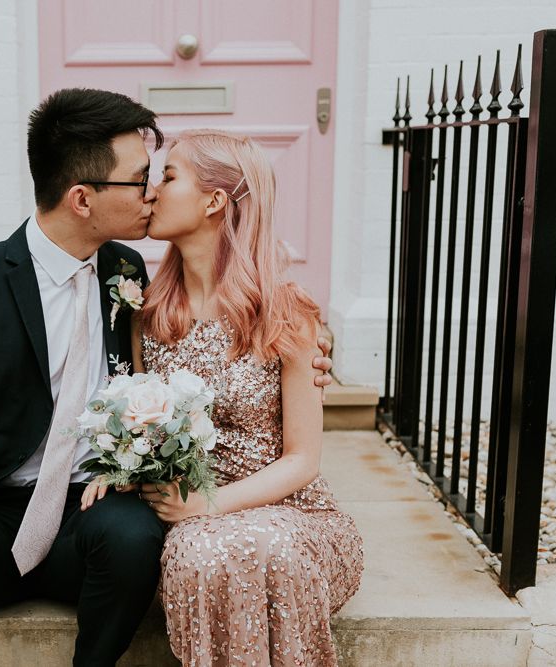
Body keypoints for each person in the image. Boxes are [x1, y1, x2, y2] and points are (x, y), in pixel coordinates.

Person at [0, 89, 334, 666]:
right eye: (141, 178)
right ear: (82, 198)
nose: (151, 192)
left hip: (90, 514)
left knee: (134, 531)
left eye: (161, 178)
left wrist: (315, 346)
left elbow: (244, 328)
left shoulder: (127, 275)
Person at [83, 130, 363, 666]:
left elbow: (303, 460)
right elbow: (141, 428)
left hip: (288, 512)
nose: (151, 191)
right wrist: (116, 466)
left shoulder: (284, 311)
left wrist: (204, 505)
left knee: (256, 550)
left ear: (214, 201)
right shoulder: (148, 314)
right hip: (191, 521)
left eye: (168, 177)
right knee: (202, 555)